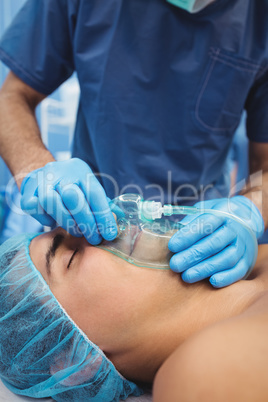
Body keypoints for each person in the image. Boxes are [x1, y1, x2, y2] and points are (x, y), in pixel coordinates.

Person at [0, 0, 268, 288]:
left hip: (200, 243)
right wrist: (37, 168)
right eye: (69, 258)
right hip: (87, 222)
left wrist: (248, 211)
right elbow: (11, 98)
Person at [0, 224, 268, 401]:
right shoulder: (201, 378)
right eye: (71, 257)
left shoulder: (252, 258)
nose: (100, 228)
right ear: (75, 363)